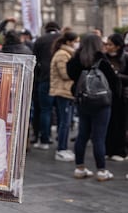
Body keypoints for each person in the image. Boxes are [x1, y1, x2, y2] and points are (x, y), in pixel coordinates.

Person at [67, 34, 119, 181]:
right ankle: (101, 170)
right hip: (102, 103)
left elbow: (70, 75)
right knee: (99, 137)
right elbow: (114, 81)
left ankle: (79, 168)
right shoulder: (102, 59)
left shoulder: (77, 59)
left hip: (83, 101)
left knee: (82, 134)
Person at [49, 32, 79, 162]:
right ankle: (61, 149)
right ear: (69, 42)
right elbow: (65, 74)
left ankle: (64, 147)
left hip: (67, 91)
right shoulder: (62, 54)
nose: (77, 43)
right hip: (63, 91)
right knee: (64, 122)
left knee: (66, 122)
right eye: (76, 41)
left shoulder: (67, 53)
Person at [32, 21, 61, 150]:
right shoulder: (62, 39)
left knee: (45, 109)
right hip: (60, 80)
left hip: (44, 78)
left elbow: (34, 59)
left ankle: (44, 138)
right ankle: (61, 140)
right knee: (62, 111)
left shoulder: (40, 40)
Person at [103, 33, 127, 161]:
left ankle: (119, 150)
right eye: (107, 44)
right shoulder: (103, 58)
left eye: (110, 44)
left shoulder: (125, 58)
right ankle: (108, 150)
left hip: (120, 96)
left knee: (120, 123)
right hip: (105, 94)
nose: (107, 46)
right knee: (107, 123)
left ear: (117, 46)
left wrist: (116, 75)